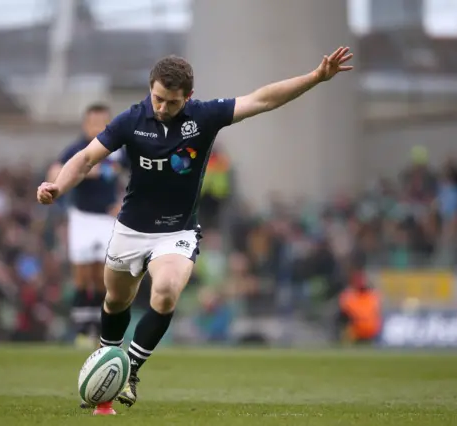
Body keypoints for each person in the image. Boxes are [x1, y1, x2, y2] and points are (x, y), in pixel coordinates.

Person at [37, 47, 354, 411]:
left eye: (171, 102)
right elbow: (85, 158)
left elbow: (263, 100)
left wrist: (315, 77)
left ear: (187, 96)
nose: (161, 108)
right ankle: (107, 364)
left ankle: (131, 372)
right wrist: (58, 188)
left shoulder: (204, 116)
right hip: (130, 229)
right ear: (150, 89)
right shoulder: (132, 119)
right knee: (115, 300)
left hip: (177, 232)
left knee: (167, 291)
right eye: (157, 98)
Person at [47, 104, 126, 346]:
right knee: (82, 275)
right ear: (85, 124)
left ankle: (102, 329)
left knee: (104, 275)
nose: (97, 126)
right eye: (93, 122)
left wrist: (123, 201)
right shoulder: (79, 149)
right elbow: (55, 171)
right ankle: (82, 330)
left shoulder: (118, 149)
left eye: (103, 121)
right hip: (82, 217)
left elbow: (136, 175)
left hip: (107, 218)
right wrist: (78, 172)